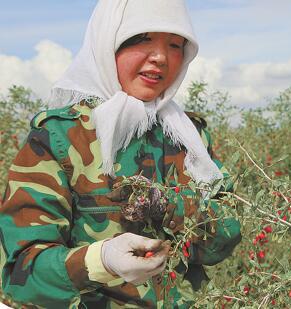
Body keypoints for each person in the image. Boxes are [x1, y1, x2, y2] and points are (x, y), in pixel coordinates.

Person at [0, 0, 241, 308]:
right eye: (141, 38)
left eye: (175, 45)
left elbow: (226, 236)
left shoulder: (188, 137)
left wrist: (173, 207)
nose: (160, 57)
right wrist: (101, 261)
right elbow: (22, 274)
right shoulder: (60, 137)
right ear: (106, 44)